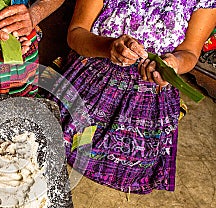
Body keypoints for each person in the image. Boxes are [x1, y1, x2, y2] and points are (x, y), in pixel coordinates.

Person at [53, 0, 216, 194]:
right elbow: (76, 33)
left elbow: (189, 52)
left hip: (151, 87)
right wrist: (109, 47)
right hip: (96, 71)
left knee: (133, 168)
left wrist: (174, 65)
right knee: (59, 135)